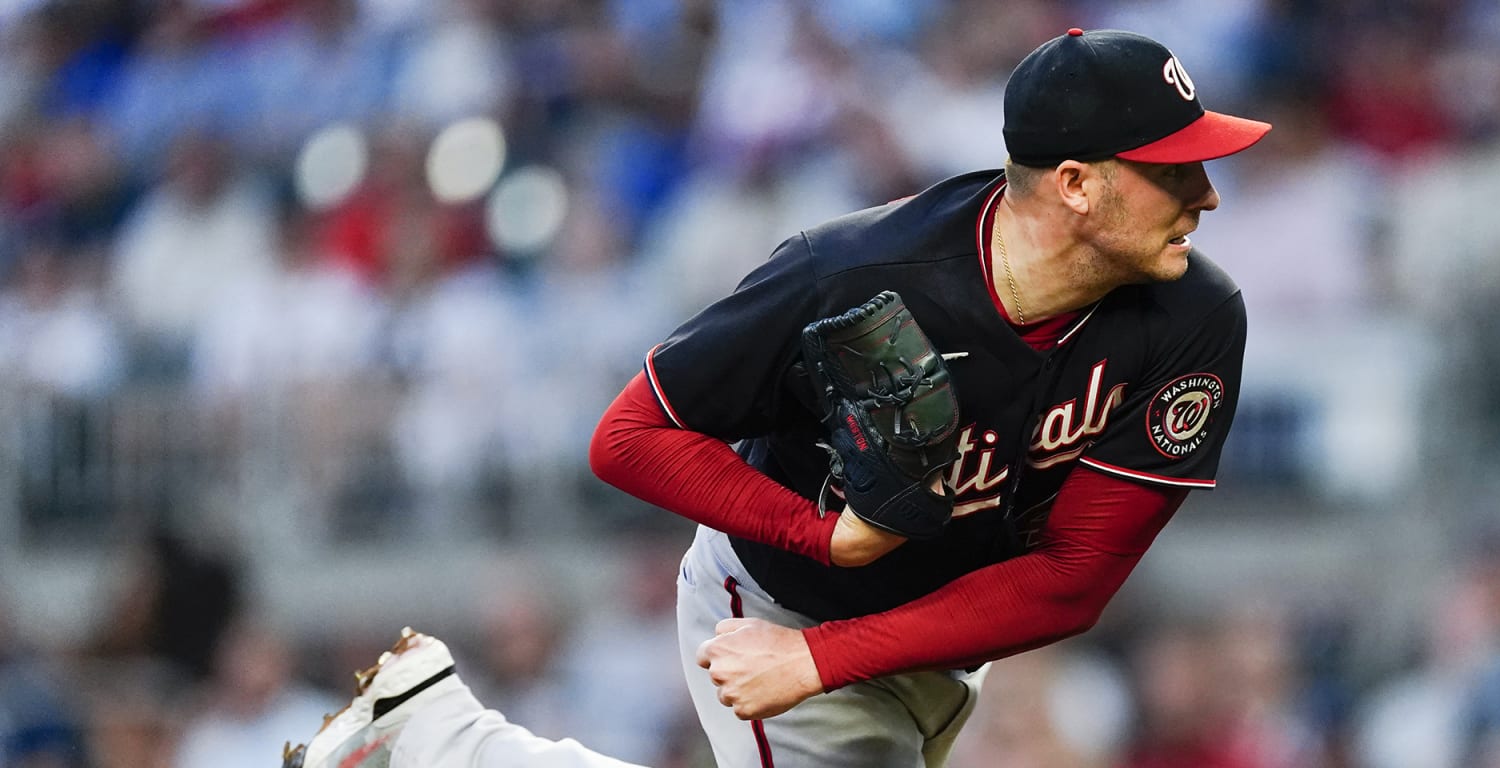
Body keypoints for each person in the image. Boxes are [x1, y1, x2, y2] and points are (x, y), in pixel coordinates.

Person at [286, 27, 1271, 768]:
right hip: (780, 606)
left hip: (920, 636)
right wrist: (818, 537)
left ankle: (435, 732)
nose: (1207, 194)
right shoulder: (854, 271)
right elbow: (628, 436)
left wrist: (839, 654)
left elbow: (1072, 581)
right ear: (1075, 185)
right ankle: (441, 739)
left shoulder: (1193, 318)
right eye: (1174, 168)